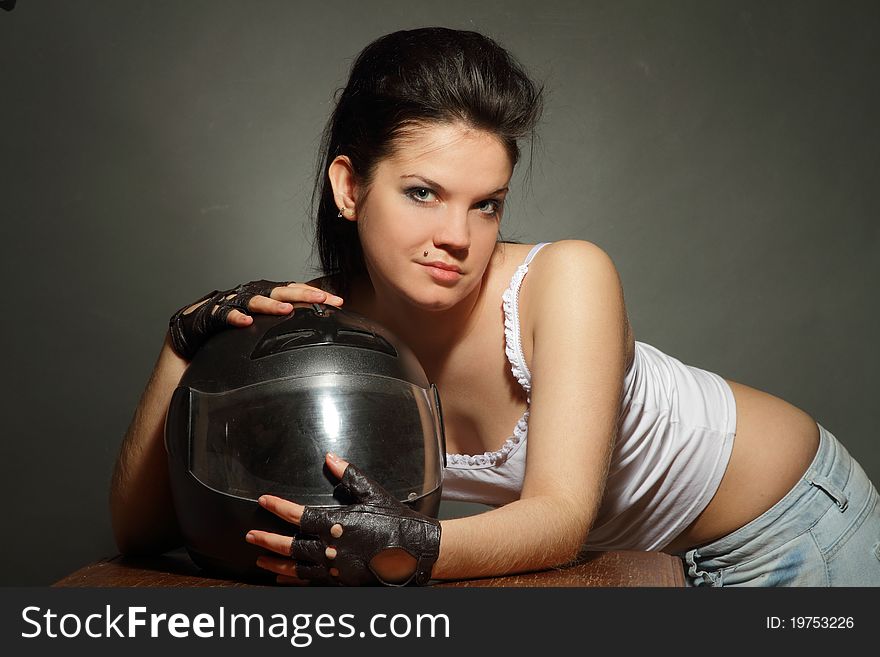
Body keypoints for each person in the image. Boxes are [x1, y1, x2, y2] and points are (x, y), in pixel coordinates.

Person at [110, 27, 880, 587]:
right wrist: (184, 342)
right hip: (643, 569)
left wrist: (406, 545)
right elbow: (145, 531)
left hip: (793, 525)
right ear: (350, 186)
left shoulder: (567, 278)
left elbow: (559, 518)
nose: (456, 236)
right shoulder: (319, 339)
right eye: (422, 193)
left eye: (487, 205)